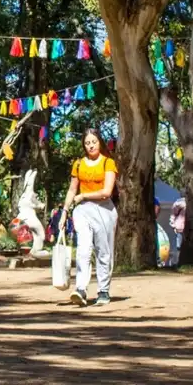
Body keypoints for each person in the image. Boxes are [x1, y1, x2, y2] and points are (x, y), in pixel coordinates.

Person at [64, 129, 118, 306]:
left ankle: (103, 291)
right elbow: (73, 189)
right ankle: (81, 288)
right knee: (83, 249)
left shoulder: (108, 163)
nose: (91, 145)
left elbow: (107, 192)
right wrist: (64, 212)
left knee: (104, 251)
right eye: (87, 143)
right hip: (82, 210)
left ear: (100, 142)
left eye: (94, 141)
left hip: (104, 210)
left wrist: (85, 196)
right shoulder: (79, 164)